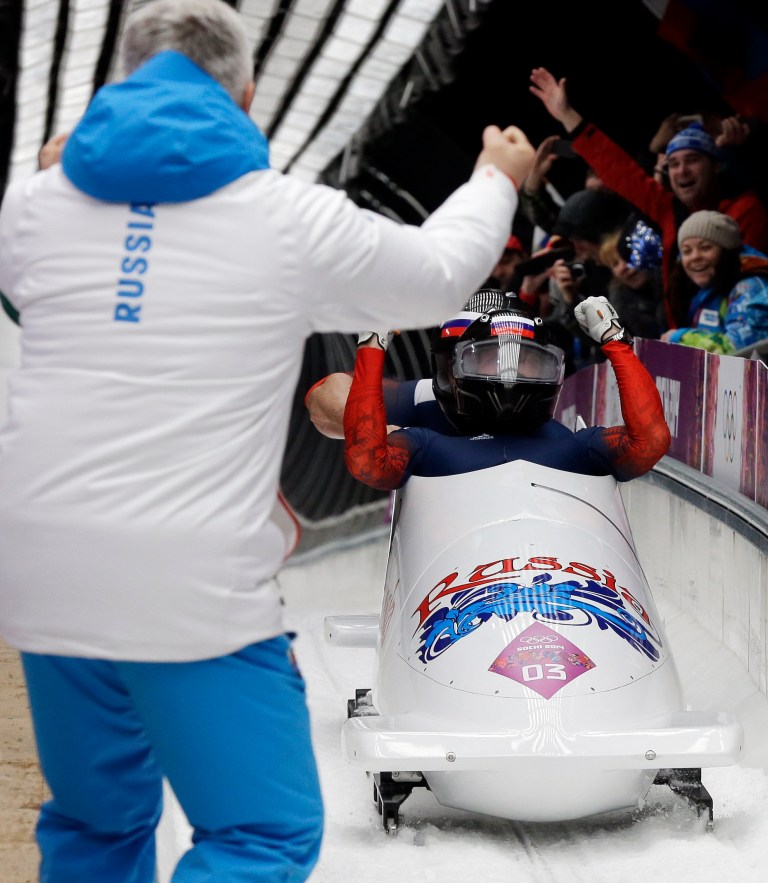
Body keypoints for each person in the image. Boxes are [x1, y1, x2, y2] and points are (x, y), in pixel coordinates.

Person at [0, 0, 537, 880]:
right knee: (259, 835)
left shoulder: (35, 205)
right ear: (246, 96)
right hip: (188, 577)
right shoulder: (286, 218)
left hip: (41, 571)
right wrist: (495, 175)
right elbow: (438, 275)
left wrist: (65, 180)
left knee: (97, 827)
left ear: (121, 82)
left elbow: (40, 280)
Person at [308, 290, 670, 492]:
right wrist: (372, 346)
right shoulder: (423, 422)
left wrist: (615, 343)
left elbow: (648, 442)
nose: (508, 374)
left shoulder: (574, 446)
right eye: (489, 358)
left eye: (525, 359)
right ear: (451, 365)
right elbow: (337, 413)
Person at [528, 66, 768, 329]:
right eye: (673, 163)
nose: (681, 171)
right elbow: (620, 171)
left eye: (692, 160)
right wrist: (567, 116)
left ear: (716, 165)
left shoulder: (747, 210)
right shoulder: (668, 209)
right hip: (685, 344)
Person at [662, 210, 768, 354]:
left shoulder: (751, 288)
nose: (695, 257)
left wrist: (679, 337)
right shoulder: (703, 289)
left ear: (726, 251)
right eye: (687, 251)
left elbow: (735, 350)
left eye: (705, 247)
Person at [598, 215, 665, 340]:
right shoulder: (618, 308)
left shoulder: (673, 284)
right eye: (615, 264)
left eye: (627, 257)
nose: (623, 268)